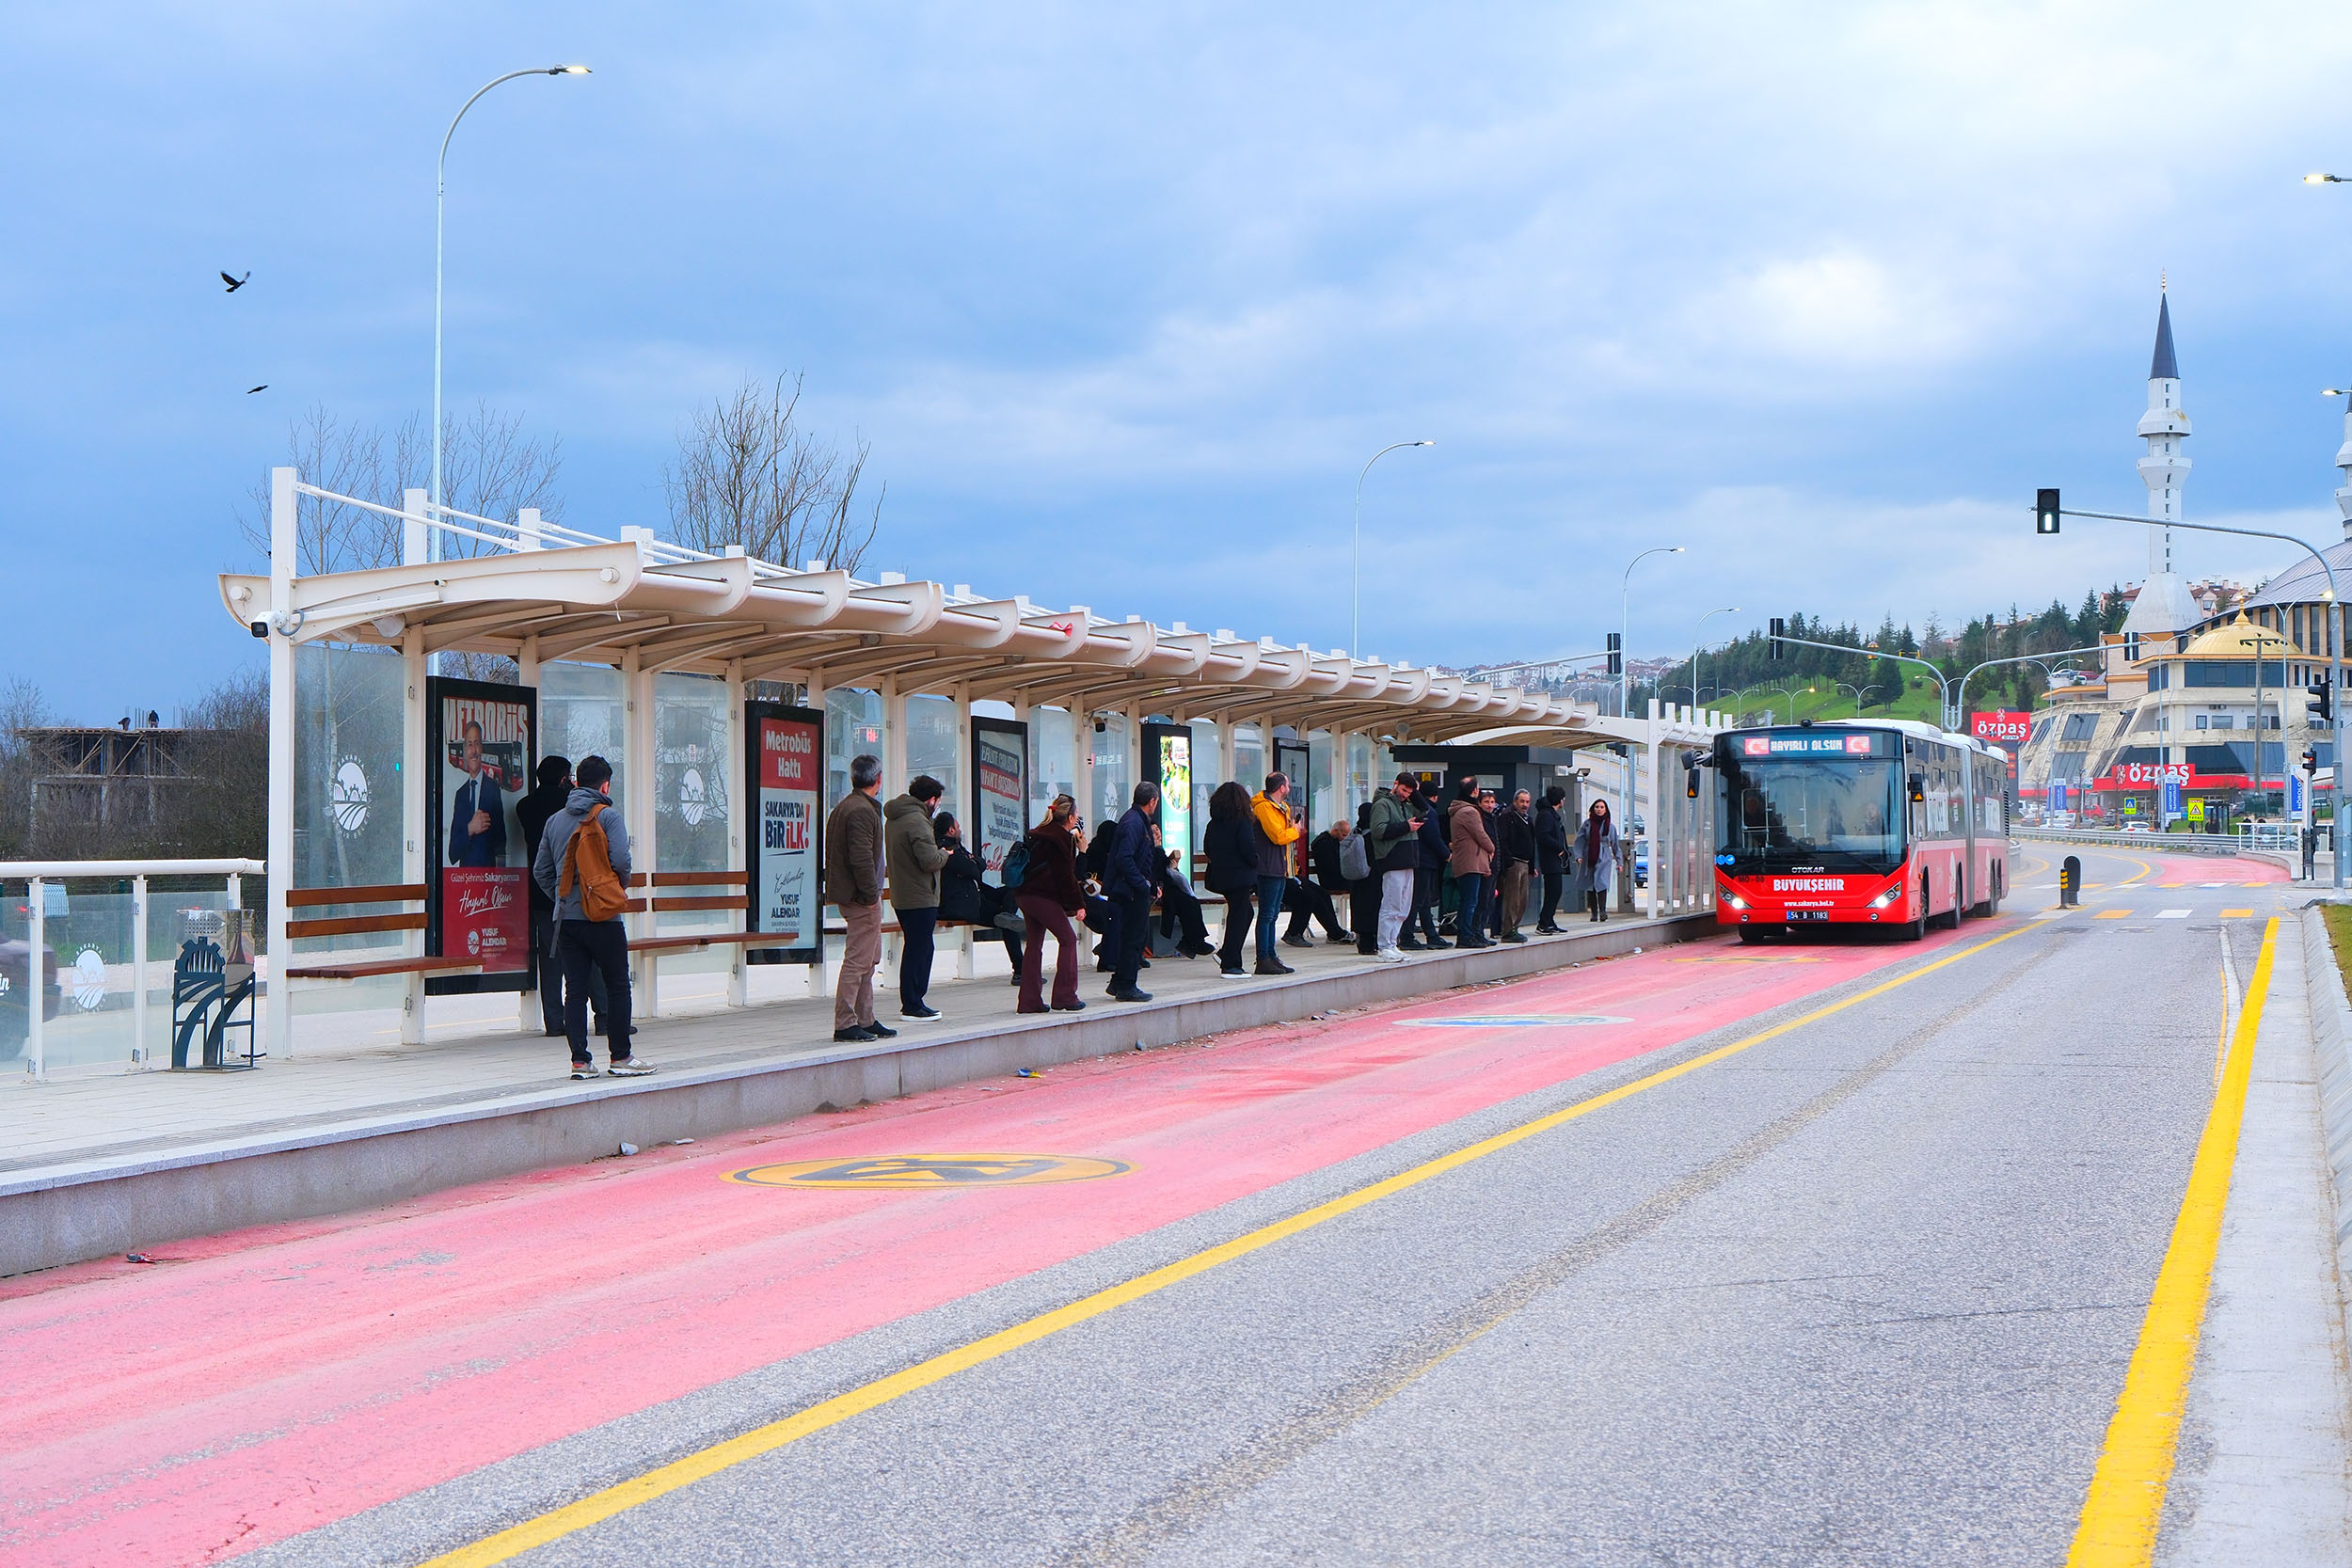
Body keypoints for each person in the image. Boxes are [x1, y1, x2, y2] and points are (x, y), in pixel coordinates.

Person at [530, 754, 653, 1080]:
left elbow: (540, 871)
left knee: (575, 989)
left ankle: (580, 1062)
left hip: (566, 920)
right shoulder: (608, 816)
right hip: (604, 918)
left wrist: (563, 897)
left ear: (575, 782)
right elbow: (622, 862)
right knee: (617, 985)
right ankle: (621, 1056)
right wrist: (610, 892)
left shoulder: (555, 821)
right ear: (605, 785)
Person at [518, 754, 605, 1038]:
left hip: (543, 897)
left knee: (551, 958)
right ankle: (603, 1015)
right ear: (564, 779)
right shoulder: (567, 809)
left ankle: (554, 1022)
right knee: (588, 956)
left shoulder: (525, 806)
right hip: (578, 894)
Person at [825, 753, 896, 1043]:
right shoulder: (862, 811)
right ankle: (845, 1021)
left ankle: (864, 1018)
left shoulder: (846, 807)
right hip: (861, 897)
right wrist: (870, 896)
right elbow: (862, 858)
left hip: (856, 894)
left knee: (869, 959)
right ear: (878, 780)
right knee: (858, 961)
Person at [882, 774, 949, 1020]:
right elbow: (929, 860)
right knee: (920, 948)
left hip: (903, 893)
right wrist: (944, 854)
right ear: (931, 800)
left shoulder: (896, 817)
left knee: (916, 945)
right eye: (937, 801)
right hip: (920, 895)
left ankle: (913, 1001)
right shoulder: (918, 822)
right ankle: (912, 1003)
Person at [1013, 795, 1087, 1012]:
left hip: (1024, 895)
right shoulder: (1061, 839)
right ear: (1071, 818)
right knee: (1068, 939)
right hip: (1043, 896)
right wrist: (1078, 904)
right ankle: (1065, 996)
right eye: (1077, 815)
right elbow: (1066, 877)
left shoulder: (1037, 832)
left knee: (1034, 945)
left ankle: (1029, 1001)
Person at [934, 811, 1025, 986]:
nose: (960, 829)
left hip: (975, 895)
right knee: (1006, 922)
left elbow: (980, 862)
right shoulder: (946, 849)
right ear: (951, 830)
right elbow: (974, 870)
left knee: (1014, 890)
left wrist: (973, 862)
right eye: (958, 826)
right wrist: (973, 862)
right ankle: (1021, 971)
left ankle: (1007, 913)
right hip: (961, 904)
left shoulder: (956, 847)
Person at [1103, 782, 1161, 1001]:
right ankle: (1127, 985)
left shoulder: (1137, 819)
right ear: (1152, 801)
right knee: (1134, 936)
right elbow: (1124, 858)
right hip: (1130, 890)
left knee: (1135, 934)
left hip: (1134, 888)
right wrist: (1142, 884)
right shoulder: (1133, 822)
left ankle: (1119, 981)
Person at [1249, 772, 1304, 974]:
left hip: (1281, 866)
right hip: (1268, 866)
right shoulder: (1264, 806)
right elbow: (1277, 836)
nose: (1289, 788)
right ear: (1281, 788)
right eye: (1288, 785)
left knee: (1274, 914)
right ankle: (1263, 957)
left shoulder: (1282, 807)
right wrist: (1295, 830)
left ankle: (1271, 956)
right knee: (1267, 914)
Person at [1365, 771, 1423, 962]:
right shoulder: (1382, 804)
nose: (1406, 794)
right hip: (1392, 859)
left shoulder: (1405, 805)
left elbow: (1425, 811)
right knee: (1391, 904)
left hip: (1407, 859)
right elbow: (1378, 831)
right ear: (1395, 784)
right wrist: (1406, 827)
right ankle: (1384, 946)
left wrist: (1415, 794)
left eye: (1409, 792)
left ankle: (1392, 942)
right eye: (1404, 790)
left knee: (1403, 906)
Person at [1203, 781, 1259, 977]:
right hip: (1240, 876)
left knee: (1245, 912)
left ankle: (1226, 953)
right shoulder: (1242, 821)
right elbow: (1247, 848)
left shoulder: (1213, 824)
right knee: (1239, 916)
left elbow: (1207, 849)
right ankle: (1231, 964)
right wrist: (1255, 862)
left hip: (1220, 876)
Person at [447, 720, 507, 867]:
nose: (474, 751)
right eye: (469, 744)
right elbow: (452, 853)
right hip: (466, 882)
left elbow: (501, 841)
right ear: (465, 751)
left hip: (488, 880)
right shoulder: (460, 795)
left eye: (477, 743)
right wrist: (470, 829)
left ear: (482, 747)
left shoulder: (493, 788)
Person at [1447, 777, 1497, 948]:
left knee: (1469, 901)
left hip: (1467, 861)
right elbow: (1481, 835)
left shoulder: (1460, 810)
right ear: (1474, 791)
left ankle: (1469, 935)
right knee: (1470, 901)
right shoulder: (1469, 812)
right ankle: (1465, 937)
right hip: (1470, 862)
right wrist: (1491, 848)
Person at [1152, 827, 1216, 957]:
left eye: (1157, 830)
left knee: (1191, 901)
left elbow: (1165, 873)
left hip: (1168, 891)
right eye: (1153, 832)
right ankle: (1193, 942)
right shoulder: (1151, 851)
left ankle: (1193, 941)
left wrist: (1173, 868)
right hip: (1158, 891)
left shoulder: (1158, 851)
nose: (1157, 834)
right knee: (1186, 901)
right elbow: (1158, 873)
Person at [1292, 819, 1354, 947]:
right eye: (1343, 835)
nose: (1345, 839)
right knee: (1312, 896)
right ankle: (1336, 931)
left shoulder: (1332, 842)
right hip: (1332, 880)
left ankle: (1335, 931)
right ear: (1336, 831)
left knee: (1318, 894)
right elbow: (1331, 867)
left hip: (1332, 879)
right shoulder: (1324, 844)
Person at [1408, 781, 1450, 950]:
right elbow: (1433, 837)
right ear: (1435, 796)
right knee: (1418, 900)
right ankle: (1407, 935)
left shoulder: (1413, 808)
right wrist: (1446, 853)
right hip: (1425, 860)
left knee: (1422, 900)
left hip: (1417, 859)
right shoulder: (1428, 811)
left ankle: (1431, 933)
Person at [1494, 789, 1536, 943]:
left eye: (1527, 802)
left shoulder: (1528, 819)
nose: (1524, 805)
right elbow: (1502, 841)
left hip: (1525, 863)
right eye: (1522, 801)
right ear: (1515, 802)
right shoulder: (1507, 817)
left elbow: (1532, 843)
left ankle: (1515, 926)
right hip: (1513, 863)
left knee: (1523, 899)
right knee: (1512, 899)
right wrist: (1508, 861)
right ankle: (1508, 930)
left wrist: (1532, 866)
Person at [1580, 798, 1624, 922]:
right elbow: (1580, 840)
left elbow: (1615, 845)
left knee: (1602, 882)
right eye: (1597, 807)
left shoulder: (1610, 827)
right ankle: (1594, 913)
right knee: (1591, 884)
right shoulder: (1587, 824)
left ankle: (1603, 911)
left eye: (1602, 807)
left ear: (1606, 810)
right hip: (1590, 855)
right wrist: (1579, 856)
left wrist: (1619, 862)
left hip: (1604, 856)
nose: (1599, 809)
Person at [1534, 786, 1569, 935]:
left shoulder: (1550, 814)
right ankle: (1544, 922)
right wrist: (1559, 847)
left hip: (1555, 860)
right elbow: (1543, 836)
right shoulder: (1547, 815)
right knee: (1554, 891)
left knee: (1555, 891)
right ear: (1560, 800)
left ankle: (1549, 920)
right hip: (1551, 859)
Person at [1349, 801, 1382, 955]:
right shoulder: (1373, 834)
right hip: (1372, 876)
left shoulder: (1355, 832)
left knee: (1359, 907)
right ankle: (1371, 943)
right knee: (1372, 907)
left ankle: (1362, 940)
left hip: (1356, 877)